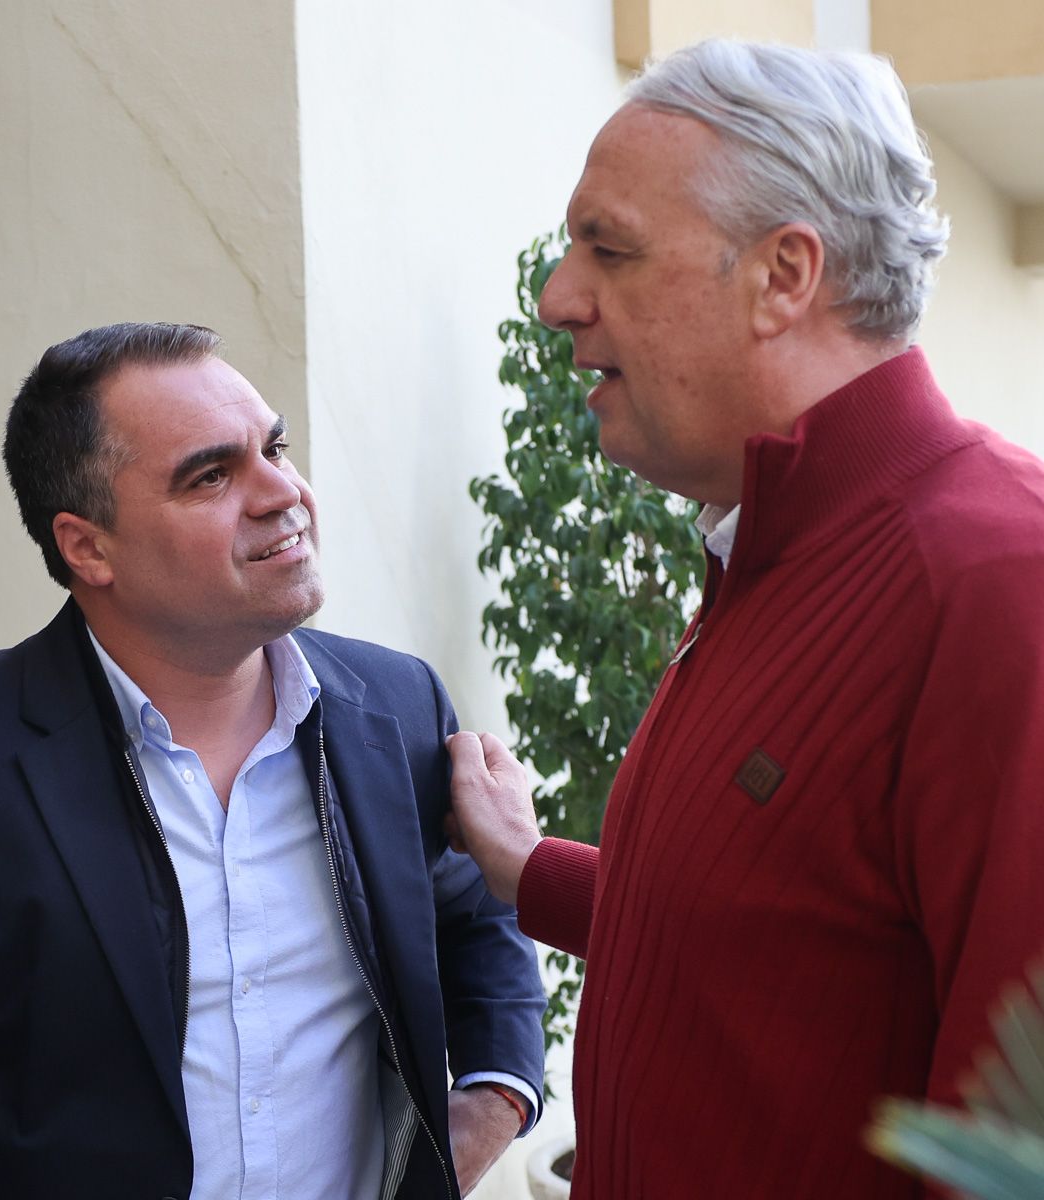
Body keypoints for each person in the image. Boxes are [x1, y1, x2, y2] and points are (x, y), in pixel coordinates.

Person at [444, 39, 1044, 1198]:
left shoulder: (993, 581)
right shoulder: (764, 551)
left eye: (608, 249)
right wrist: (530, 874)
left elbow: (1013, 1147)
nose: (557, 298)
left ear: (785, 275)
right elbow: (778, 936)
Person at [0, 323, 545, 1198]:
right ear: (88, 547)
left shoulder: (395, 709)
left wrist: (493, 1096)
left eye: (276, 448)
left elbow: (477, 916)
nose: (281, 492)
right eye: (212, 475)